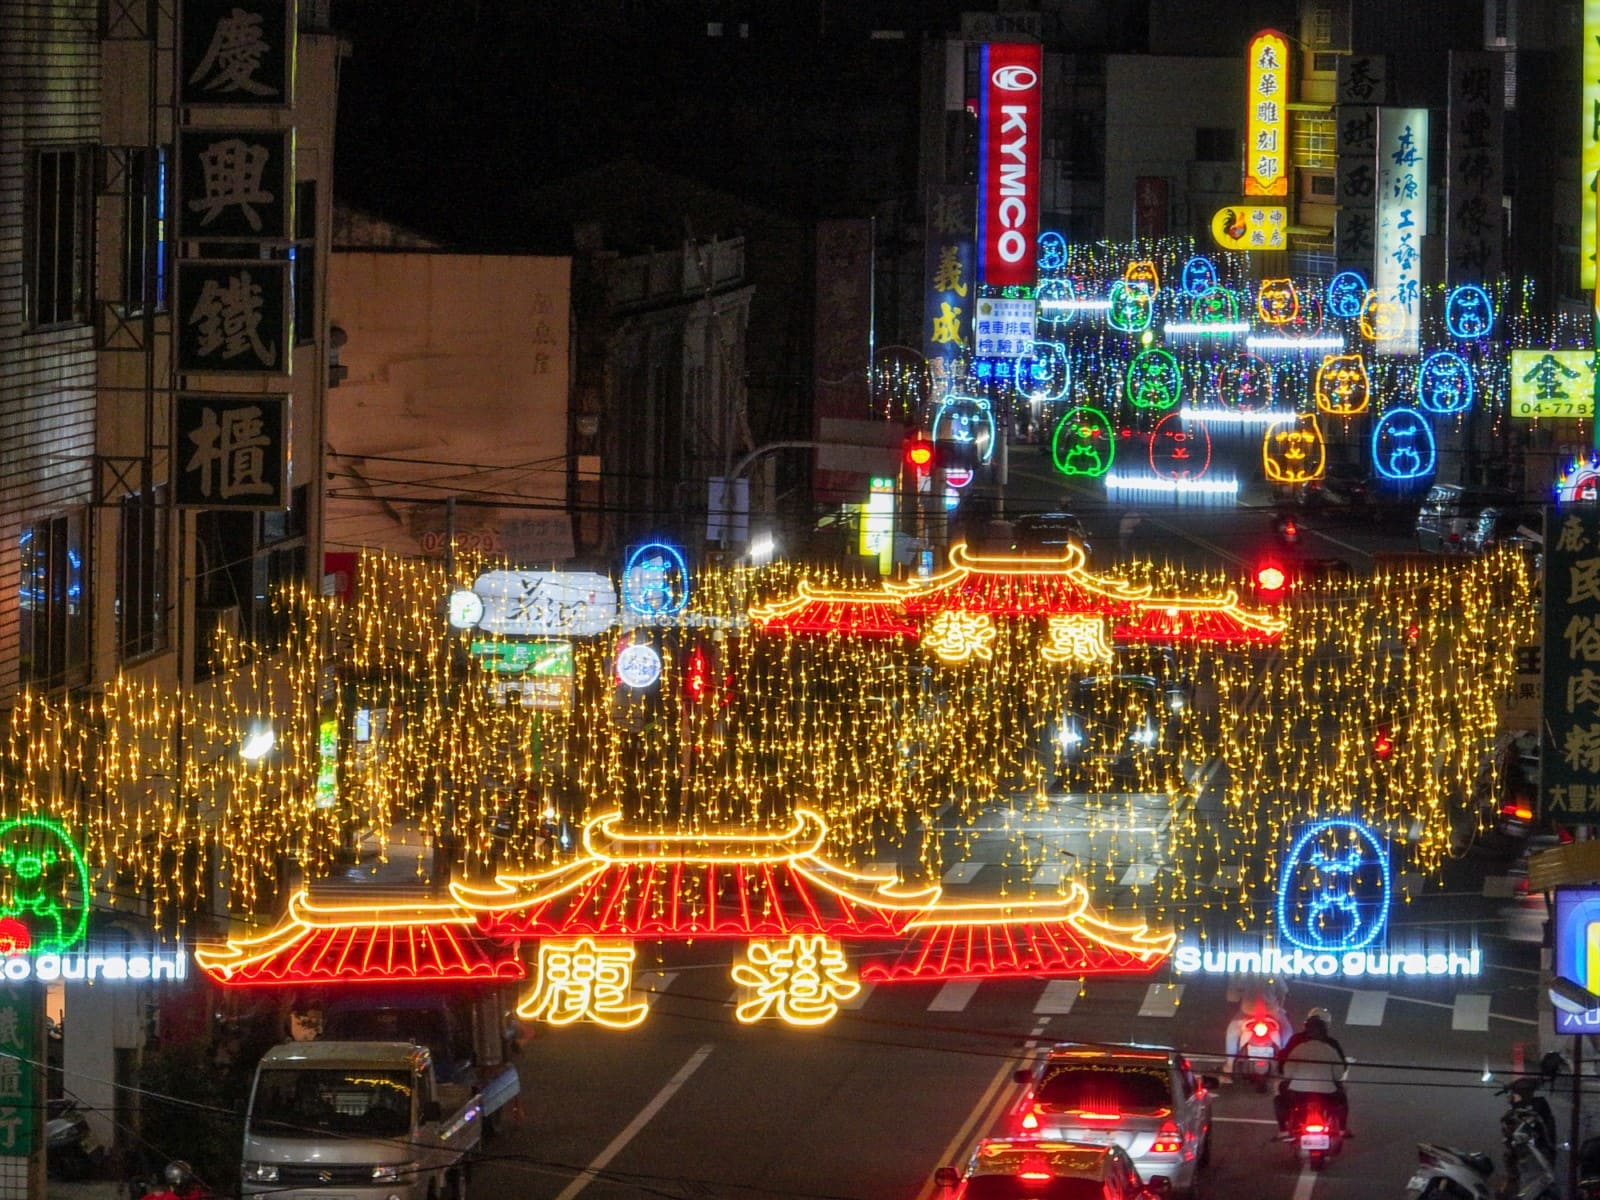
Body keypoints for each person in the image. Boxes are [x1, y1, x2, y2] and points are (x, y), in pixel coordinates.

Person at [1274, 1008, 1350, 1137]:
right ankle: (1342, 1129)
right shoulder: (1331, 1046)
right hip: (1328, 1093)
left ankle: (1283, 1131)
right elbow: (1339, 1073)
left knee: (1279, 1099)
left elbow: (1287, 1071)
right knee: (1342, 1097)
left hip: (1298, 1093)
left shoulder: (1298, 1046)